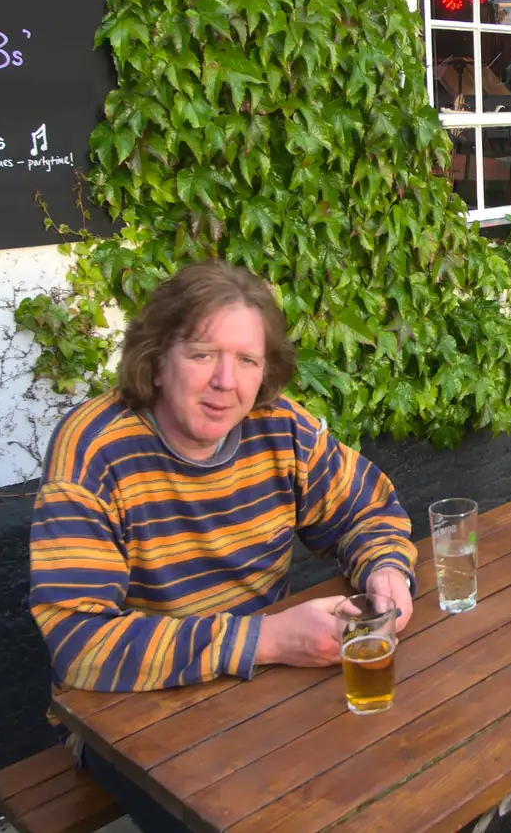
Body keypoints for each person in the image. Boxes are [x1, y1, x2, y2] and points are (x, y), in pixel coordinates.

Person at [28, 262, 416, 832]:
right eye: (204, 354)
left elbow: (368, 509)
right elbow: (78, 644)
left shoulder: (280, 426)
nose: (226, 383)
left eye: (247, 361)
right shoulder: (92, 449)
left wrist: (386, 569)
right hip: (130, 716)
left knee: (403, 776)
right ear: (157, 360)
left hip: (259, 692)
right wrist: (267, 638)